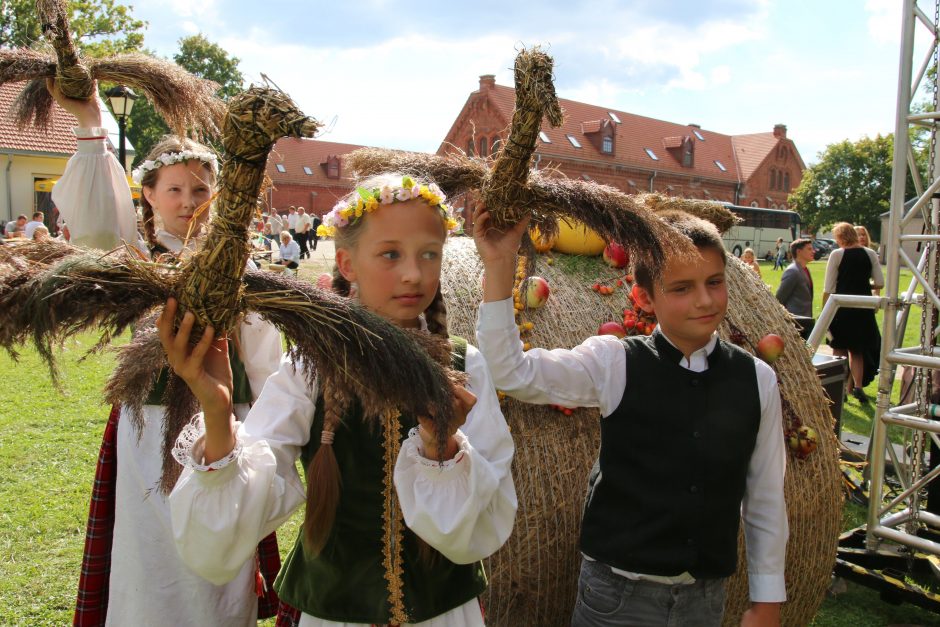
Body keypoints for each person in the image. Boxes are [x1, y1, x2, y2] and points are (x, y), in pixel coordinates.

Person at [163, 173, 517, 626]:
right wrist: (216, 411)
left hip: (442, 614)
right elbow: (244, 499)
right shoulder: (310, 364)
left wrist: (442, 445)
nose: (414, 273)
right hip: (334, 613)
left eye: (429, 254)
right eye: (390, 254)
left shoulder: (466, 364)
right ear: (347, 263)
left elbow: (485, 521)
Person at [473, 207, 787, 627]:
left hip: (705, 602)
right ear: (644, 298)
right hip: (617, 599)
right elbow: (511, 372)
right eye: (681, 288)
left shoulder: (757, 379)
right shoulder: (614, 362)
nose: (705, 299)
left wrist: (767, 600)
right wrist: (499, 265)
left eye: (714, 282)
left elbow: (765, 497)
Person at [47, 79, 286, 626]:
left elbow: (264, 361)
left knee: (218, 551)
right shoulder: (130, 259)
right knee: (150, 547)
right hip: (146, 427)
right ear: (148, 195)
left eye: (200, 191)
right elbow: (92, 219)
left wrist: (261, 430)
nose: (187, 202)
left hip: (222, 424)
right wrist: (90, 126)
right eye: (174, 190)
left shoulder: (240, 268)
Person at [824, 222, 885, 404]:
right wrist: (864, 285)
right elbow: (880, 282)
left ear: (841, 238)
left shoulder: (837, 254)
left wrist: (825, 310)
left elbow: (828, 287)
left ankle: (839, 387)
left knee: (839, 349)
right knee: (857, 351)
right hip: (863, 307)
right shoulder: (870, 253)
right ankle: (857, 387)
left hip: (842, 307)